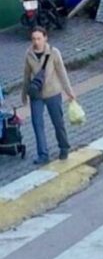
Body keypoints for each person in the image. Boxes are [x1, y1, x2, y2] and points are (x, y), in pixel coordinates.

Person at [21, 26, 74, 164]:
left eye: (39, 38)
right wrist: (24, 95)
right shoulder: (29, 54)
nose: (36, 42)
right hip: (36, 95)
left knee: (58, 123)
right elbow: (26, 76)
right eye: (33, 39)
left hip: (53, 93)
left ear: (45, 38)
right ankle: (43, 154)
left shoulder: (54, 53)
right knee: (37, 124)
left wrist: (69, 92)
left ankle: (64, 147)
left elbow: (62, 73)